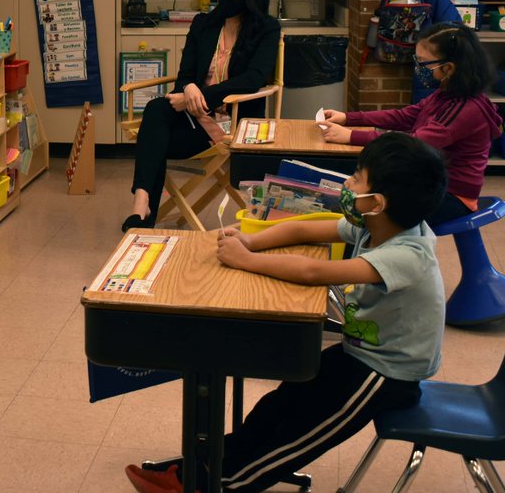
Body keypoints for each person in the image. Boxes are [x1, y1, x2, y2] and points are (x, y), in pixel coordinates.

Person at [125, 132, 448, 493]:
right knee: (276, 408)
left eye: (357, 177)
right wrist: (250, 240)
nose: (347, 183)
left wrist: (248, 261)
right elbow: (300, 228)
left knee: (296, 435)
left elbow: (315, 273)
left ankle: (216, 486)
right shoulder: (372, 224)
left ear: (376, 202)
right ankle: (200, 467)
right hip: (360, 353)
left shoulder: (408, 254)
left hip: (387, 376)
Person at [122, 0, 280, 231]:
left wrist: (200, 95)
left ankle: (144, 217)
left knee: (153, 140)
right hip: (192, 118)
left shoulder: (266, 28)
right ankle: (142, 200)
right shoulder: (204, 24)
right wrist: (188, 88)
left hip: (232, 123)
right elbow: (185, 75)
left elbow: (253, 79)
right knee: (156, 109)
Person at [320, 22, 500, 225]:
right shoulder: (447, 93)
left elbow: (414, 144)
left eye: (423, 63)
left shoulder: (466, 109)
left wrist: (351, 136)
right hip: (430, 183)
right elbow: (404, 116)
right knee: (363, 190)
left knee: (369, 209)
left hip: (452, 197)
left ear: (448, 68)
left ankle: (368, 253)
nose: (417, 68)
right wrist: (349, 118)